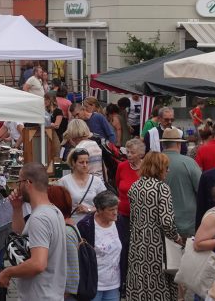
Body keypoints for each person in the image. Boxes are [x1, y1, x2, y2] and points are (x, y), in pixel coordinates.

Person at [0, 162, 66, 299]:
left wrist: (8, 272)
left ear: (28, 183)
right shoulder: (54, 211)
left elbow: (38, 264)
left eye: (19, 181)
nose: (18, 187)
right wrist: (17, 208)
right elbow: (24, 239)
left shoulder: (39, 218)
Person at [124, 153, 183, 301]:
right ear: (158, 168)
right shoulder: (162, 188)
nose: (168, 171)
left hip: (137, 242)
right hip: (156, 245)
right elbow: (167, 221)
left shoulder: (135, 186)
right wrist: (176, 237)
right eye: (166, 167)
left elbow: (133, 218)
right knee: (158, 282)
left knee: (139, 280)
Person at [78, 190, 129, 301]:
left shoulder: (119, 222)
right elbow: (81, 258)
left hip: (114, 284)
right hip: (93, 286)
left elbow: (125, 250)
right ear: (99, 210)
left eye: (116, 208)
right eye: (111, 210)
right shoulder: (85, 226)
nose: (115, 212)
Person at [161, 126, 201, 238]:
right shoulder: (189, 163)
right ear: (179, 144)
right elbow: (201, 190)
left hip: (159, 224)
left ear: (163, 144)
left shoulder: (152, 162)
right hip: (186, 224)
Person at [46, 185, 82, 301]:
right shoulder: (67, 225)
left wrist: (66, 293)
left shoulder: (65, 231)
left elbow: (72, 266)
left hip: (65, 294)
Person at [59, 148, 107, 214]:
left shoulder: (96, 181)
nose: (85, 165)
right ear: (73, 162)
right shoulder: (64, 181)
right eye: (81, 162)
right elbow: (58, 205)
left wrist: (89, 209)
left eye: (87, 162)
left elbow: (106, 202)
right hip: (73, 222)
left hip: (92, 221)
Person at [116, 138, 146, 219]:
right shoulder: (121, 166)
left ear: (141, 154)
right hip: (122, 213)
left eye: (132, 152)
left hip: (141, 215)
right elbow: (117, 185)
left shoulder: (147, 168)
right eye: (128, 152)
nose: (129, 155)